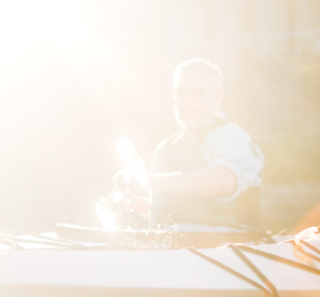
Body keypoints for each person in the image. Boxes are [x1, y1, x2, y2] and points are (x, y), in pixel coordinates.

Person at [110, 58, 265, 229]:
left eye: (197, 92)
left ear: (218, 95)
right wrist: (130, 203)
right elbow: (174, 215)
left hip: (229, 251)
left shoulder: (234, 137)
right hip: (176, 250)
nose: (186, 100)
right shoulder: (165, 147)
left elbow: (224, 182)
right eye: (179, 92)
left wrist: (150, 180)